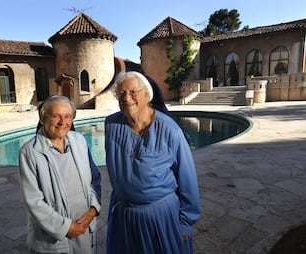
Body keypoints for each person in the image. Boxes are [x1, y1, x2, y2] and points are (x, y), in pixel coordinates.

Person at [105, 71, 201, 254]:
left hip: (161, 217)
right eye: (122, 94)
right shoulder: (111, 126)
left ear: (147, 95)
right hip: (124, 217)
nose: (127, 98)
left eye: (133, 92)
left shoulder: (170, 130)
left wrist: (186, 222)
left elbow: (187, 178)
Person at [18, 95, 101, 254]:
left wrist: (92, 211)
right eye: (55, 116)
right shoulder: (30, 152)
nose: (63, 122)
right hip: (54, 238)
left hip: (84, 228)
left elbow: (94, 179)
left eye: (67, 116)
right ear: (43, 118)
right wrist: (66, 227)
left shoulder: (79, 141)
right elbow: (33, 200)